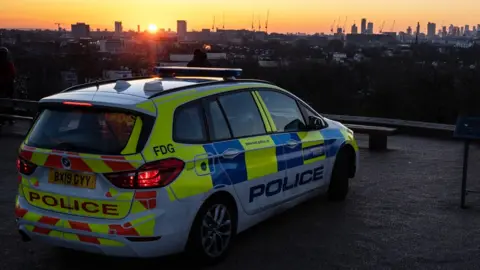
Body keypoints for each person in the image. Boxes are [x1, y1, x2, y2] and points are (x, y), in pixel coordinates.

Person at [0, 47, 16, 125]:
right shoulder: (9, 64)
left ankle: (7, 118)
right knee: (9, 102)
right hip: (6, 85)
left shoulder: (9, 64)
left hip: (6, 85)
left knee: (8, 102)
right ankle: (8, 118)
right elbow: (12, 75)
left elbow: (12, 75)